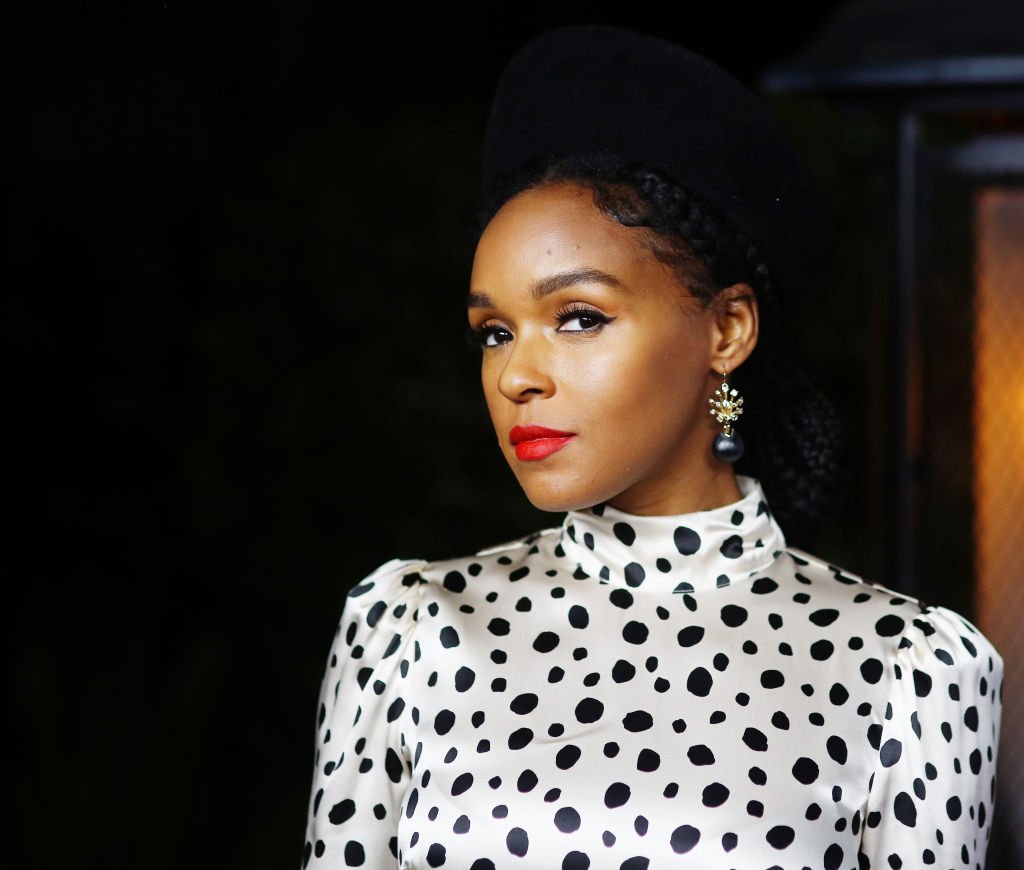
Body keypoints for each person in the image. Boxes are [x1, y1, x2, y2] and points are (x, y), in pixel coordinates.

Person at [300, 24, 1003, 869]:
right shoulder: (408, 629)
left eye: (580, 318)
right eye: (493, 332)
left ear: (727, 329)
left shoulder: (910, 671)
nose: (518, 374)